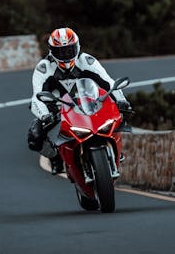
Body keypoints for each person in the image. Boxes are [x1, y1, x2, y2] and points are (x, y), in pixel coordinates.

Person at [27, 27, 131, 175]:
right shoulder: (43, 68)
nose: (65, 55)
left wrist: (121, 99)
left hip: (89, 100)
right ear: (51, 51)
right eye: (60, 52)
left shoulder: (87, 61)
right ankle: (55, 157)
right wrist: (45, 115)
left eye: (69, 50)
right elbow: (37, 95)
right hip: (57, 106)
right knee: (34, 136)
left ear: (78, 47)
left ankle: (116, 149)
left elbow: (107, 81)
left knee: (119, 115)